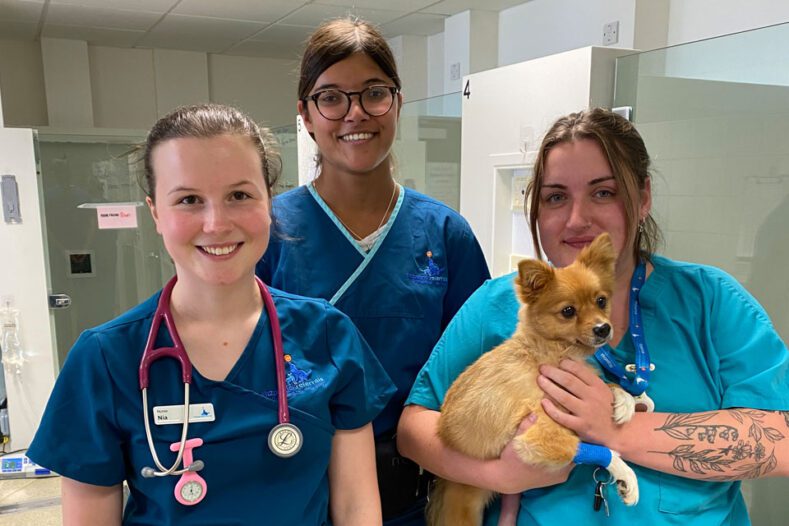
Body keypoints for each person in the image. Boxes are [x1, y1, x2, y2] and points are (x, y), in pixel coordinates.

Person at [398, 107, 789, 525]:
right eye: (555, 197)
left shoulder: (710, 302)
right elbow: (413, 428)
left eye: (603, 193)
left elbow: (780, 444)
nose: (576, 219)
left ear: (642, 198)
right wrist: (496, 474)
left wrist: (614, 429)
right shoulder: (495, 307)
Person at [27, 103, 396, 525]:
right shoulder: (106, 358)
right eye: (188, 200)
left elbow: (356, 507)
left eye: (239, 195)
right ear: (155, 213)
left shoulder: (327, 335)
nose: (216, 223)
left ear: (268, 201)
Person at [256, 17, 490, 526]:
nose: (355, 113)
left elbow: (479, 371)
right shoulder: (268, 230)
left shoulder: (446, 235)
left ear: (398, 101)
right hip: (298, 489)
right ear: (306, 114)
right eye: (332, 97)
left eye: (374, 93)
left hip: (417, 492)